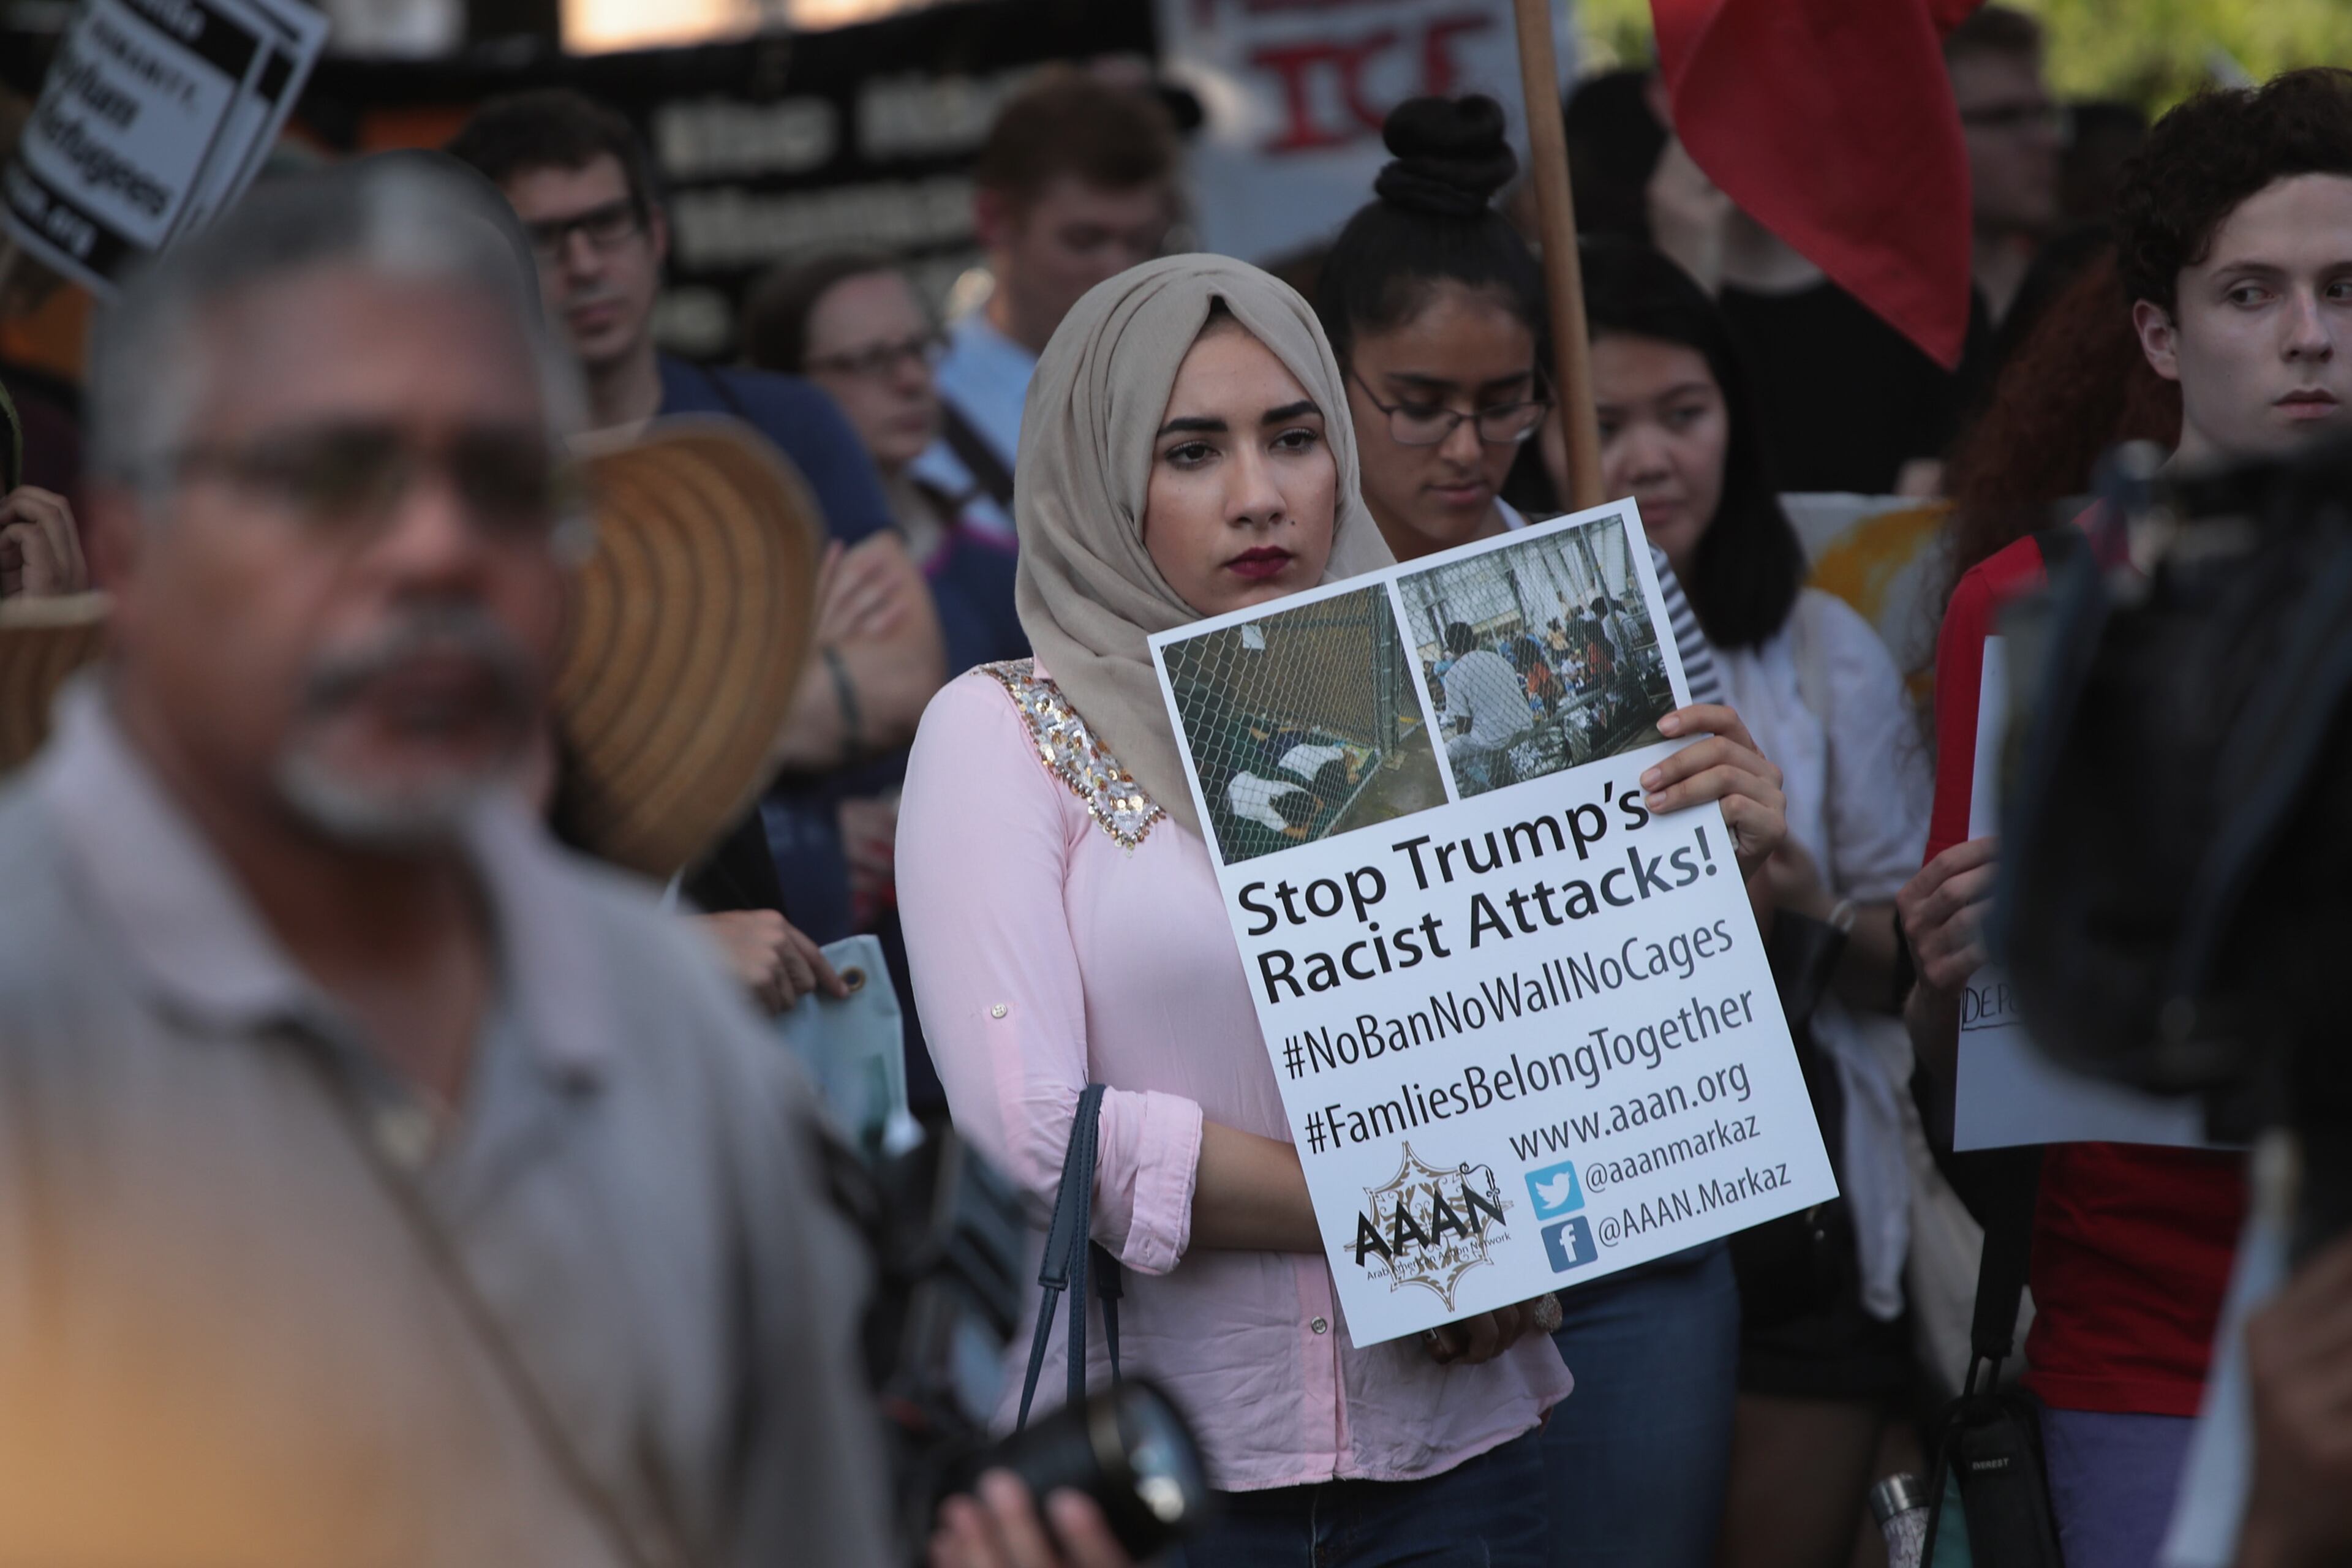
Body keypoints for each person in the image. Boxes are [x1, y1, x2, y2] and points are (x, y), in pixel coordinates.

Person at [0, 156, 895, 1565]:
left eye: (498, 479)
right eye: (325, 477)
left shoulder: (675, 1039)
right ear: (132, 544)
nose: (432, 547)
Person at [896, 254, 1791, 1567]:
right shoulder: (1011, 729)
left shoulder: (1425, 707)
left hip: (1456, 1447)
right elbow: (1036, 1127)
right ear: (1095, 470)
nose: (1258, 495)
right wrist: (1435, 1217)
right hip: (1169, 1474)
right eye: (1190, 449)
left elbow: (1583, 1065)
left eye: (1296, 437)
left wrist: (1722, 877)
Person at [1898, 68, 2352, 1568]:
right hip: (2146, 1350)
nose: (2307, 335)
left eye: (2347, 285)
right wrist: (1941, 965)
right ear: (2158, 333)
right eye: (2248, 290)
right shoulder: (2020, 605)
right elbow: (1959, 1070)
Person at [1313, 96, 1755, 1568]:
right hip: (1402, 1246)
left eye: (1506, 404)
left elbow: (1734, 899)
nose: (1470, 445)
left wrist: (1745, 824)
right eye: (1420, 402)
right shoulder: (1254, 625)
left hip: (1637, 1210)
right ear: (1331, 379)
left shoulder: (1602, 579)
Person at [1581, 239, 1934, 1568]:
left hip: (1801, 1218)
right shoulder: (1488, 674)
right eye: (1603, 422)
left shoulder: (1820, 644)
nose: (1649, 458)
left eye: (1686, 413)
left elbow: (1912, 956)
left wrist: (1802, 903)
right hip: (1596, 1204)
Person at [447, 89, 946, 949]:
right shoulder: (465, 475)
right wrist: (802, 666)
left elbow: (907, 677)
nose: (584, 263)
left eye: (607, 225)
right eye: (543, 237)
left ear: (658, 237)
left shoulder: (785, 426)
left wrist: (619, 713)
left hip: (825, 961)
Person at [908, 70, 1181, 539]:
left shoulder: (1193, 380)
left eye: (1142, 242)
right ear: (993, 221)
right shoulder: (914, 408)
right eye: (1083, 240)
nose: (1120, 273)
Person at [742, 251, 1026, 678]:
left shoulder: (1002, 571)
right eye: (869, 360)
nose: (911, 379)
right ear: (786, 389)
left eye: (918, 348)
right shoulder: (747, 584)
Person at [1945, 6, 2065, 326]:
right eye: (2006, 117)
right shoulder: (1855, 316)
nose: (2047, 140)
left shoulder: (2080, 300)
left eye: (2043, 116)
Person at [1438, 620, 1533, 788]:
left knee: (1442, 756)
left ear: (1451, 649)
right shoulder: (1497, 659)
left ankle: (1479, 793)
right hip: (1524, 723)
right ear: (1475, 640)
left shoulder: (1453, 674)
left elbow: (1464, 724)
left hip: (1494, 739)